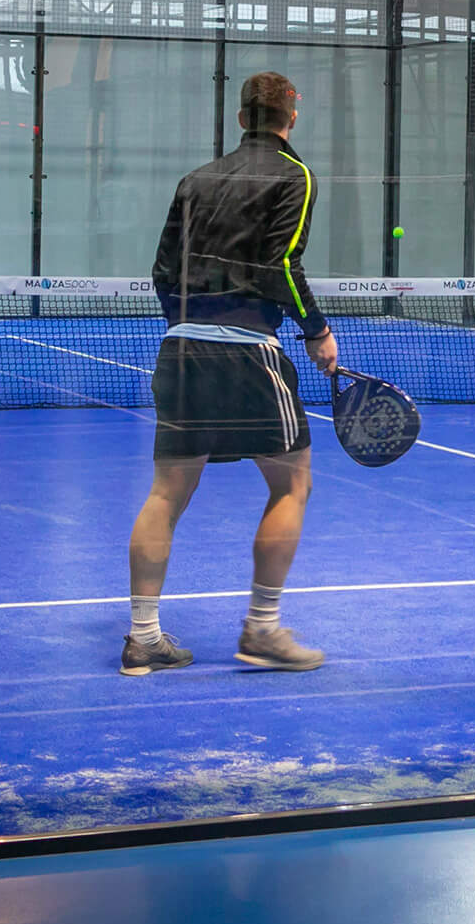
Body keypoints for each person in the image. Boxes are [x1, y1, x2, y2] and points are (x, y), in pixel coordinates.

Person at [122, 71, 338, 677]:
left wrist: (192, 321)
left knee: (166, 492)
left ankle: (143, 639)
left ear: (242, 118)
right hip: (247, 353)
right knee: (292, 484)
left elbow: (163, 271)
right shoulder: (295, 176)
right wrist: (317, 331)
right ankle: (263, 630)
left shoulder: (195, 180)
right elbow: (281, 265)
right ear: (290, 119)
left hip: (180, 348)